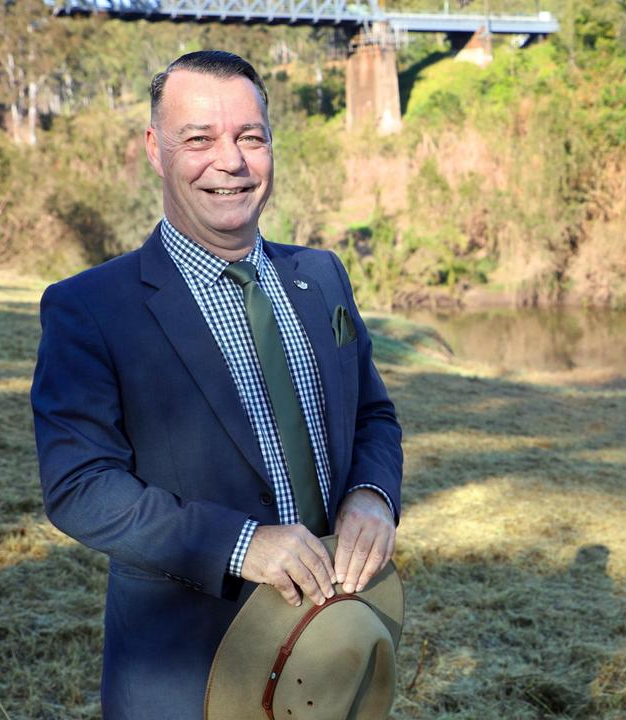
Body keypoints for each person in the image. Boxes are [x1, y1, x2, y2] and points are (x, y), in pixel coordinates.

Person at [30, 50, 403, 719]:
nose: (229, 161)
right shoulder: (89, 307)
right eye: (198, 138)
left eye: (249, 137)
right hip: (185, 674)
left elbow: (372, 416)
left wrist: (373, 495)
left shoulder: (322, 277)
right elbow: (81, 488)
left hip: (331, 650)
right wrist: (240, 544)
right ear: (155, 148)